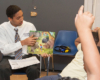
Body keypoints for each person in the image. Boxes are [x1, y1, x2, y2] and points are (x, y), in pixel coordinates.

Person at [0, 5, 40, 80]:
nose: (22, 19)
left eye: (22, 16)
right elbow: (4, 50)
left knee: (34, 70)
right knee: (2, 69)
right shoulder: (2, 28)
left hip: (27, 57)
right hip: (9, 57)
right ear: (10, 18)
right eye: (18, 18)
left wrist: (42, 52)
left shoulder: (29, 26)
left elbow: (36, 46)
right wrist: (22, 43)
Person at [75, 5, 100, 80]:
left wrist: (84, 29)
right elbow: (76, 41)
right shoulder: (82, 47)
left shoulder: (97, 50)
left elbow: (95, 74)